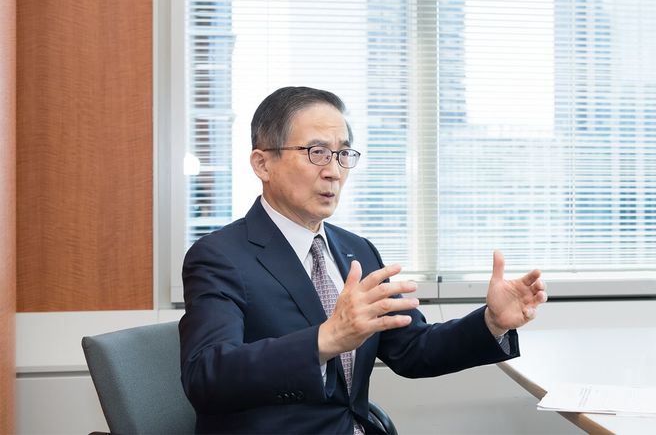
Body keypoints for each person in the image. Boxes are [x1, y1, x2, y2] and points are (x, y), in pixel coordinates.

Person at [179, 86, 548, 434]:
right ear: (263, 164)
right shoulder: (220, 256)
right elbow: (206, 376)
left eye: (342, 154)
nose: (333, 171)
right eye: (316, 152)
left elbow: (412, 348)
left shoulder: (356, 249)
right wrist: (326, 338)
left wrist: (491, 322)